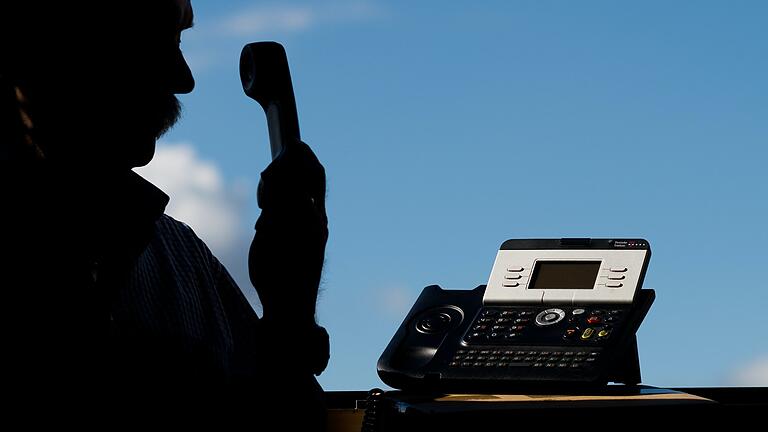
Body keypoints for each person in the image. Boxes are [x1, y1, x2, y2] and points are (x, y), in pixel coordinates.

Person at [0, 0, 329, 424]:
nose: (184, 79)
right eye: (155, 40)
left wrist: (290, 314)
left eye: (177, 40)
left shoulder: (183, 258)